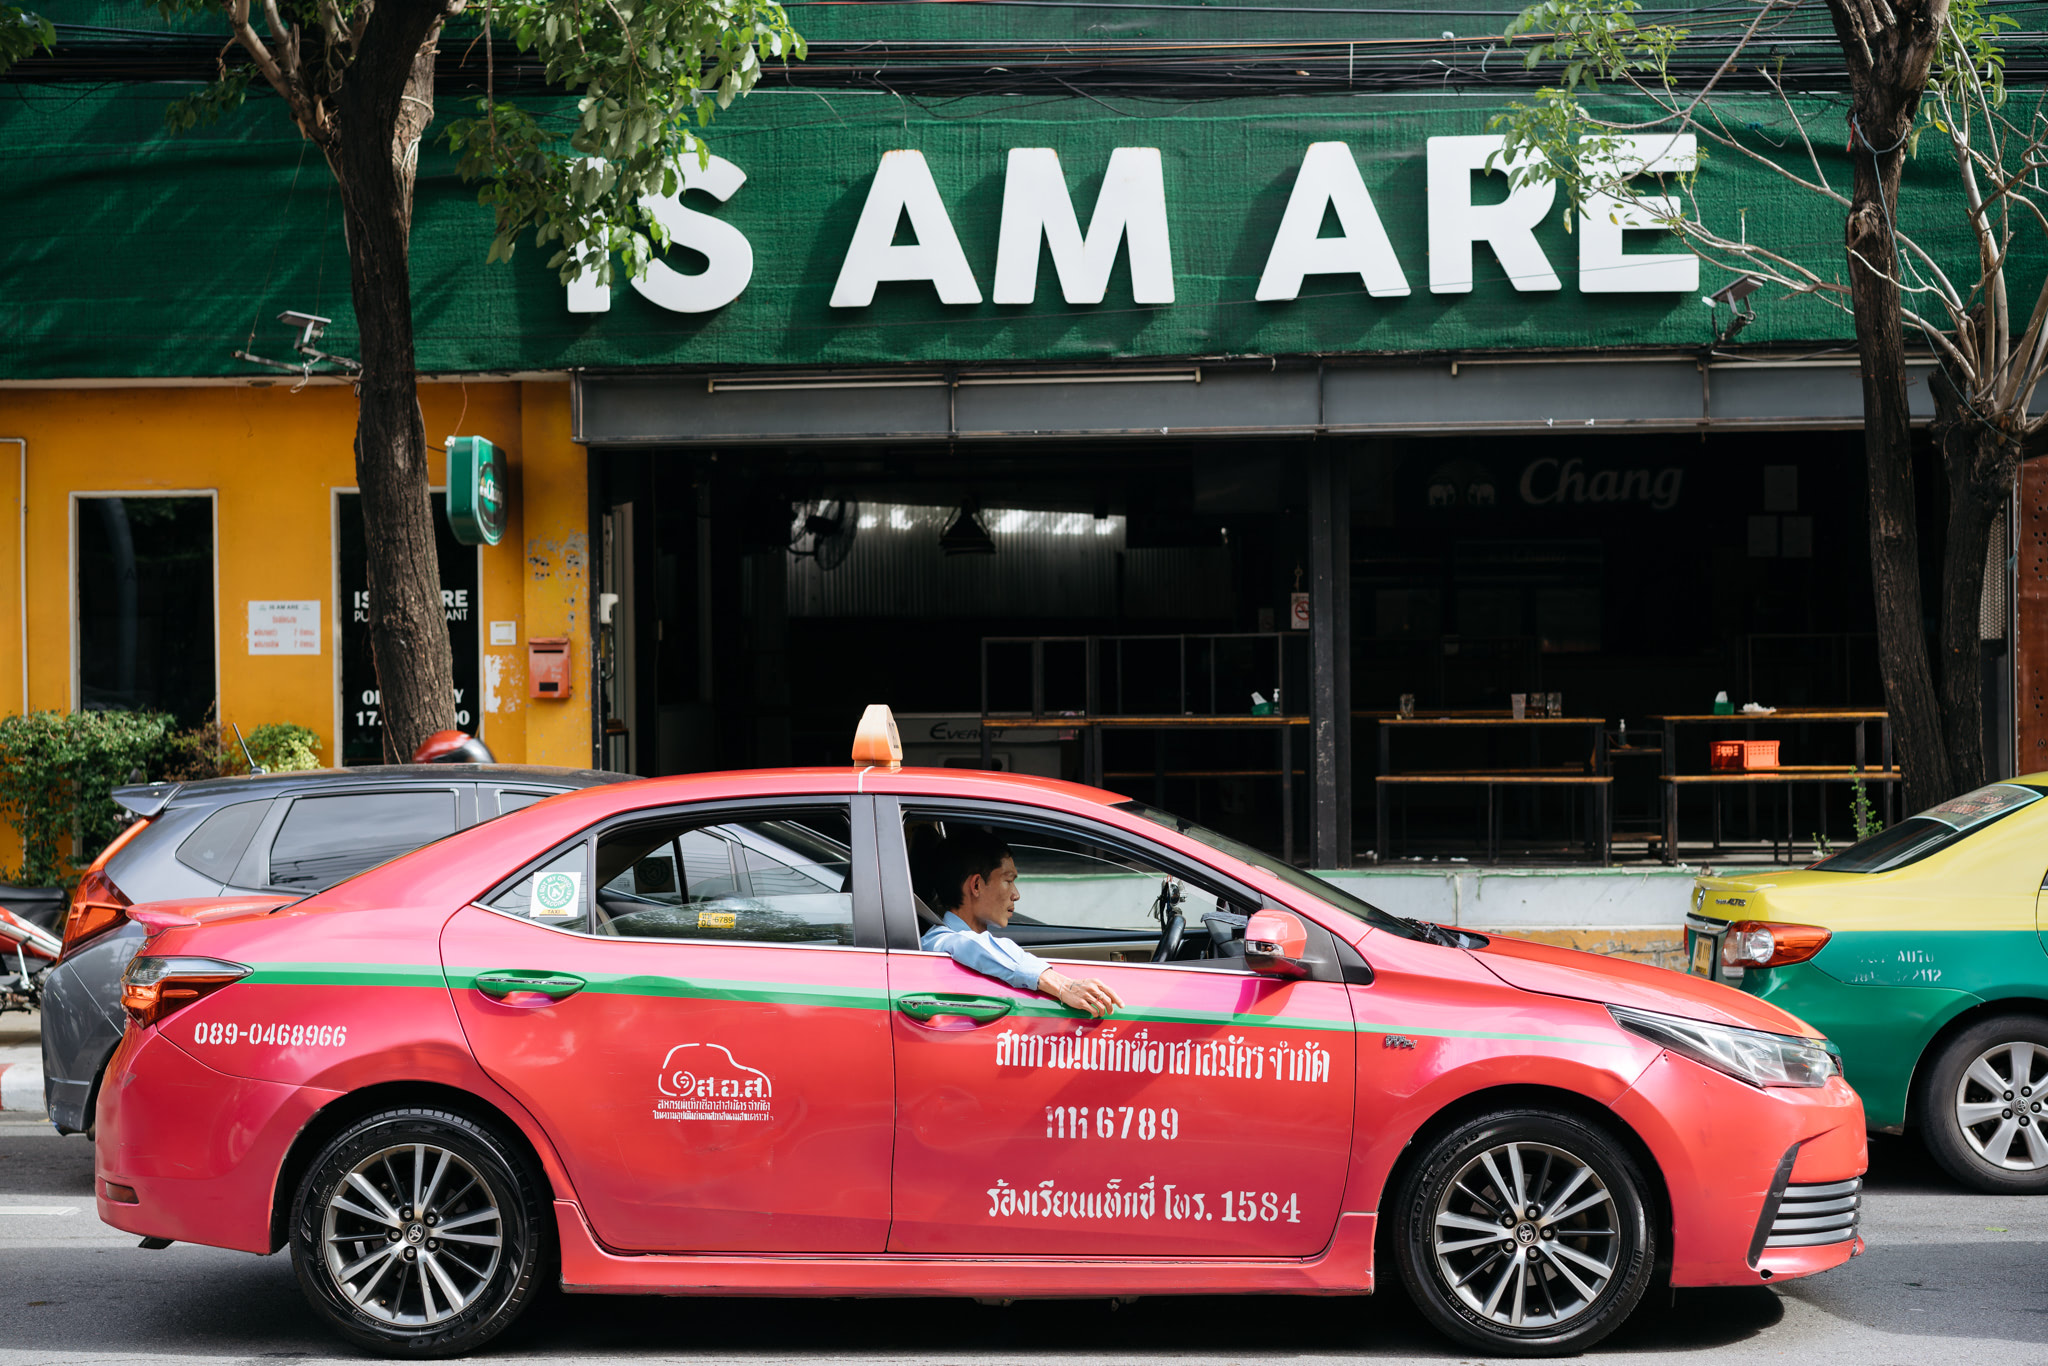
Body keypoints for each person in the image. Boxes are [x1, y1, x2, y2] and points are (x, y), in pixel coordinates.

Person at [919, 827, 1124, 1018]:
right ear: (977, 885)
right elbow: (968, 945)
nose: (1016, 895)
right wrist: (1062, 986)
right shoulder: (938, 943)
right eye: (1008, 881)